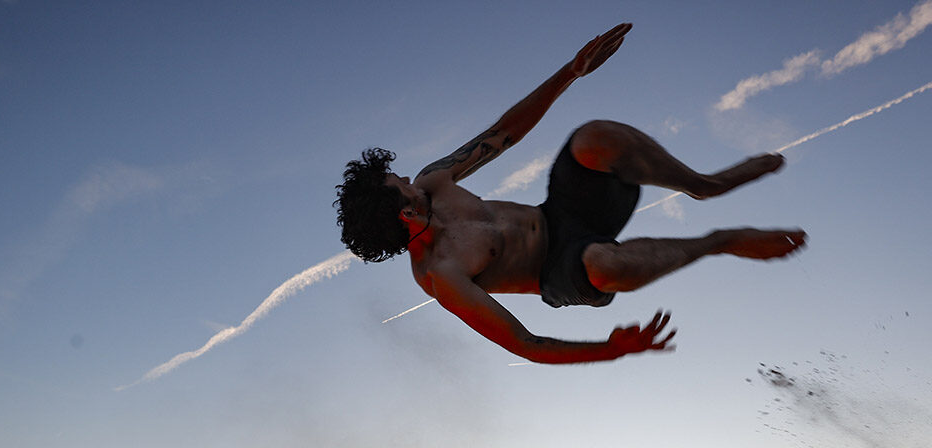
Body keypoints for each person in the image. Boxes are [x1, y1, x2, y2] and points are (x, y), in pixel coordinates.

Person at [335, 23, 805, 366]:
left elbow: (503, 134)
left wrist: (571, 72)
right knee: (605, 264)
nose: (405, 178)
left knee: (594, 137)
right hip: (560, 269)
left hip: (562, 210)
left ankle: (704, 186)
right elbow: (525, 344)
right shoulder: (440, 276)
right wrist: (612, 350)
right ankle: (720, 241)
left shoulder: (433, 180)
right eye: (396, 183)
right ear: (400, 212)